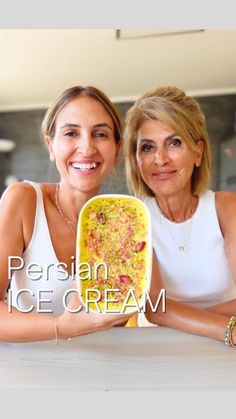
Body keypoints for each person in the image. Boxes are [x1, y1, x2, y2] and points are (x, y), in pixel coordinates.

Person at [0, 85, 133, 343]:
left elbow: (111, 323)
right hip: (28, 376)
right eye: (71, 133)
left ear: (116, 148)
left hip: (100, 374)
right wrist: (62, 326)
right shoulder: (23, 200)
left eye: (101, 134)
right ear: (51, 146)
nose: (86, 147)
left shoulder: (121, 223)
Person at [124, 85, 236, 346]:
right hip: (162, 350)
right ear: (136, 159)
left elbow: (159, 313)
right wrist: (227, 328)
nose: (160, 159)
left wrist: (176, 320)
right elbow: (155, 307)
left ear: (197, 152)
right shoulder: (133, 219)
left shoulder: (227, 208)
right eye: (147, 147)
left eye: (174, 143)